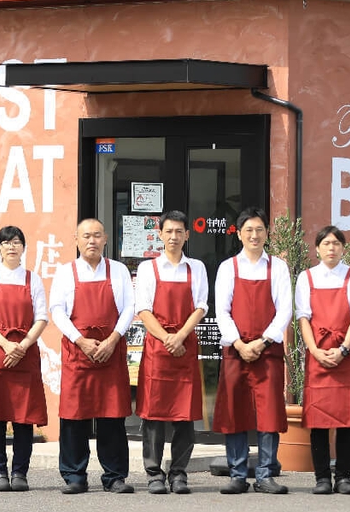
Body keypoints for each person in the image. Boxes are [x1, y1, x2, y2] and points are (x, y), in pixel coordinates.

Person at [49, 218, 136, 495]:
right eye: (86, 236)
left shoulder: (119, 271)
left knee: (112, 417)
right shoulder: (66, 272)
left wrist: (113, 339)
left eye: (97, 235)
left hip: (111, 350)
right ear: (76, 240)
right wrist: (81, 341)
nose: (92, 241)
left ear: (106, 238)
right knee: (74, 417)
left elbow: (129, 308)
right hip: (78, 352)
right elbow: (57, 311)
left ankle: (115, 476)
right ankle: (75, 475)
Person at [213, 207, 293, 495]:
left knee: (268, 412)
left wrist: (263, 341)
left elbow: (285, 310)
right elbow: (222, 310)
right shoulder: (228, 267)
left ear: (267, 233)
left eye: (259, 229)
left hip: (267, 351)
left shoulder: (278, 267)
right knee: (236, 410)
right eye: (248, 230)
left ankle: (265, 474)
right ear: (238, 233)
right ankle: (237, 473)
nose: (254, 235)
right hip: (236, 350)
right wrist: (238, 343)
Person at [0, 225, 48, 492]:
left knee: (24, 419)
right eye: (6, 243)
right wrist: (5, 345)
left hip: (24, 354)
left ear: (24, 247)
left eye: (17, 242)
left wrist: (22, 346)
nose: (12, 246)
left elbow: (42, 317)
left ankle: (20, 474)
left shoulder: (32, 279)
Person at [134, 210, 209, 495]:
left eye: (180, 231)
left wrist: (180, 336)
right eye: (169, 231)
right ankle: (154, 473)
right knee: (153, 414)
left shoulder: (197, 268)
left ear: (187, 235)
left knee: (184, 414)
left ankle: (179, 473)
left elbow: (201, 306)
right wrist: (166, 337)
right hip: (158, 347)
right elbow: (143, 308)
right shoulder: (148, 269)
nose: (174, 237)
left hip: (185, 345)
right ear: (160, 234)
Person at [295, 225, 350, 496]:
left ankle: (344, 476)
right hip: (317, 355)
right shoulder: (307, 278)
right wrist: (313, 350)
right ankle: (322, 477)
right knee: (318, 420)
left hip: (344, 355)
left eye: (336, 243)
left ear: (343, 248)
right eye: (326, 243)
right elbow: (303, 316)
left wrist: (344, 349)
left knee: (346, 420)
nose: (331, 248)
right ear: (317, 249)